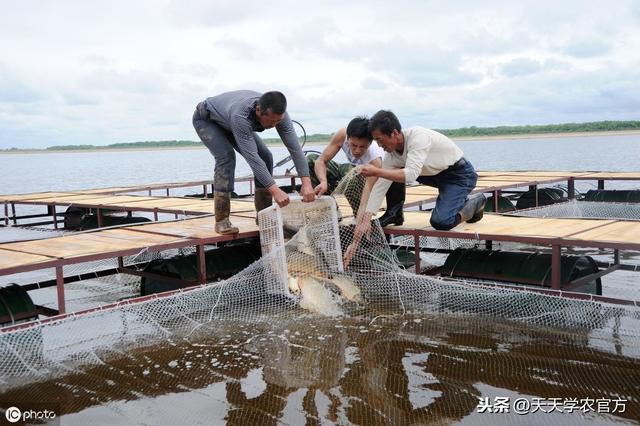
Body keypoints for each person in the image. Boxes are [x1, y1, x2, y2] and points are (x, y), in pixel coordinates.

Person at [345, 110, 486, 265]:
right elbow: (381, 186)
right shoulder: (392, 155)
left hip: (459, 175)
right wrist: (366, 219)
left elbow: (411, 175)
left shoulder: (418, 138)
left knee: (442, 222)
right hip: (435, 175)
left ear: (394, 133)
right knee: (392, 174)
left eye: (380, 140)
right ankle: (449, 200)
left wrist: (378, 171)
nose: (379, 145)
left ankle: (477, 201)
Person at [193, 90, 315, 234]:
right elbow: (252, 158)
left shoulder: (281, 116)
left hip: (229, 121)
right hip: (208, 120)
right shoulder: (241, 116)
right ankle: (221, 221)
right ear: (258, 111)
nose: (275, 124)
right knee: (226, 157)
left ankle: (264, 217)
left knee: (266, 157)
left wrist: (306, 183)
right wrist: (275, 191)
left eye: (278, 121)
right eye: (271, 121)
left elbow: (295, 148)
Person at [309, 116, 406, 225]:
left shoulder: (375, 158)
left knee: (353, 172)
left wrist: (363, 217)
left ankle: (358, 214)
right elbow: (321, 161)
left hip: (371, 181)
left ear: (370, 143)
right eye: (353, 145)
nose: (357, 151)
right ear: (348, 138)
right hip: (351, 172)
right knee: (310, 159)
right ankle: (330, 210)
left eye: (363, 147)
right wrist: (323, 181)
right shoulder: (342, 135)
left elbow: (371, 190)